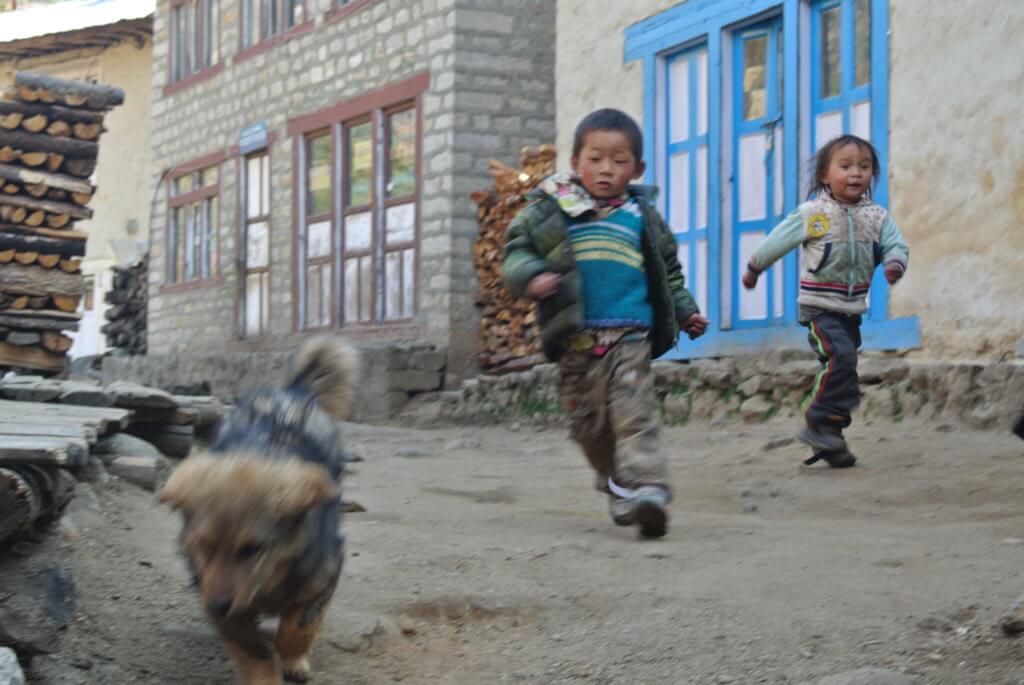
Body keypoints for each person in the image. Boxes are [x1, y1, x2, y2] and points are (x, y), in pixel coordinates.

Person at [502, 108, 709, 538]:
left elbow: (668, 271)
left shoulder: (641, 217)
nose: (606, 170)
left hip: (630, 335)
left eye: (619, 161)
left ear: (638, 169)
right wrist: (531, 276)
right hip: (575, 340)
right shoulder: (550, 211)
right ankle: (617, 483)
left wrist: (686, 309)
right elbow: (516, 252)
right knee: (588, 428)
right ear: (576, 162)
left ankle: (649, 487)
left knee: (636, 413)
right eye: (595, 159)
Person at [741, 134, 909, 467]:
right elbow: (781, 238)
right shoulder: (815, 213)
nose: (855, 174)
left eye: (863, 167)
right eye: (845, 166)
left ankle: (832, 435)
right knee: (840, 357)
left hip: (851, 310)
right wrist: (756, 265)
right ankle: (819, 421)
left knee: (846, 370)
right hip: (819, 306)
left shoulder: (876, 216)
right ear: (824, 175)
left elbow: (896, 244)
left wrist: (894, 263)